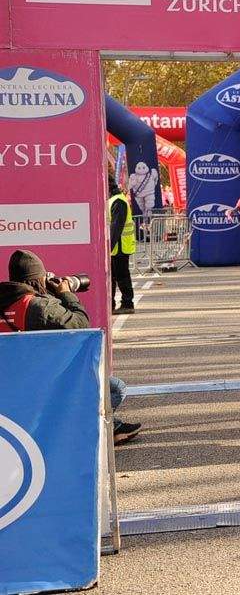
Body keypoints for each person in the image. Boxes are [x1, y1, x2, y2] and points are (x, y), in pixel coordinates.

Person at [1, 249, 142, 444]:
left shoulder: (8, 303)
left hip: (8, 389)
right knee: (116, 388)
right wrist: (66, 294)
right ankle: (82, 435)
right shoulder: (37, 307)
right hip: (43, 388)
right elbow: (80, 323)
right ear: (37, 280)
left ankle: (113, 427)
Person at [108, 176, 136, 314]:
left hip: (119, 247)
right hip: (117, 247)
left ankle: (127, 303)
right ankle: (110, 304)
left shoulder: (118, 201)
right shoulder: (113, 200)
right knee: (114, 277)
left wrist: (108, 247)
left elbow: (116, 227)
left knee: (122, 276)